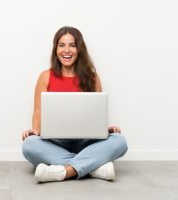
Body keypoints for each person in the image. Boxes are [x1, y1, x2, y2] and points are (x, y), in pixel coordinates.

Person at [21, 26, 128, 183]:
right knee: (29, 145)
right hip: (56, 142)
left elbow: (96, 114)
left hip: (86, 142)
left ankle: (64, 172)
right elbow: (38, 111)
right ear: (55, 49)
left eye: (72, 45)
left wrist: (103, 129)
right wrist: (36, 131)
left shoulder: (92, 77)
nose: (67, 50)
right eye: (61, 45)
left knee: (119, 141)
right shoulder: (45, 77)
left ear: (79, 49)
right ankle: (94, 168)